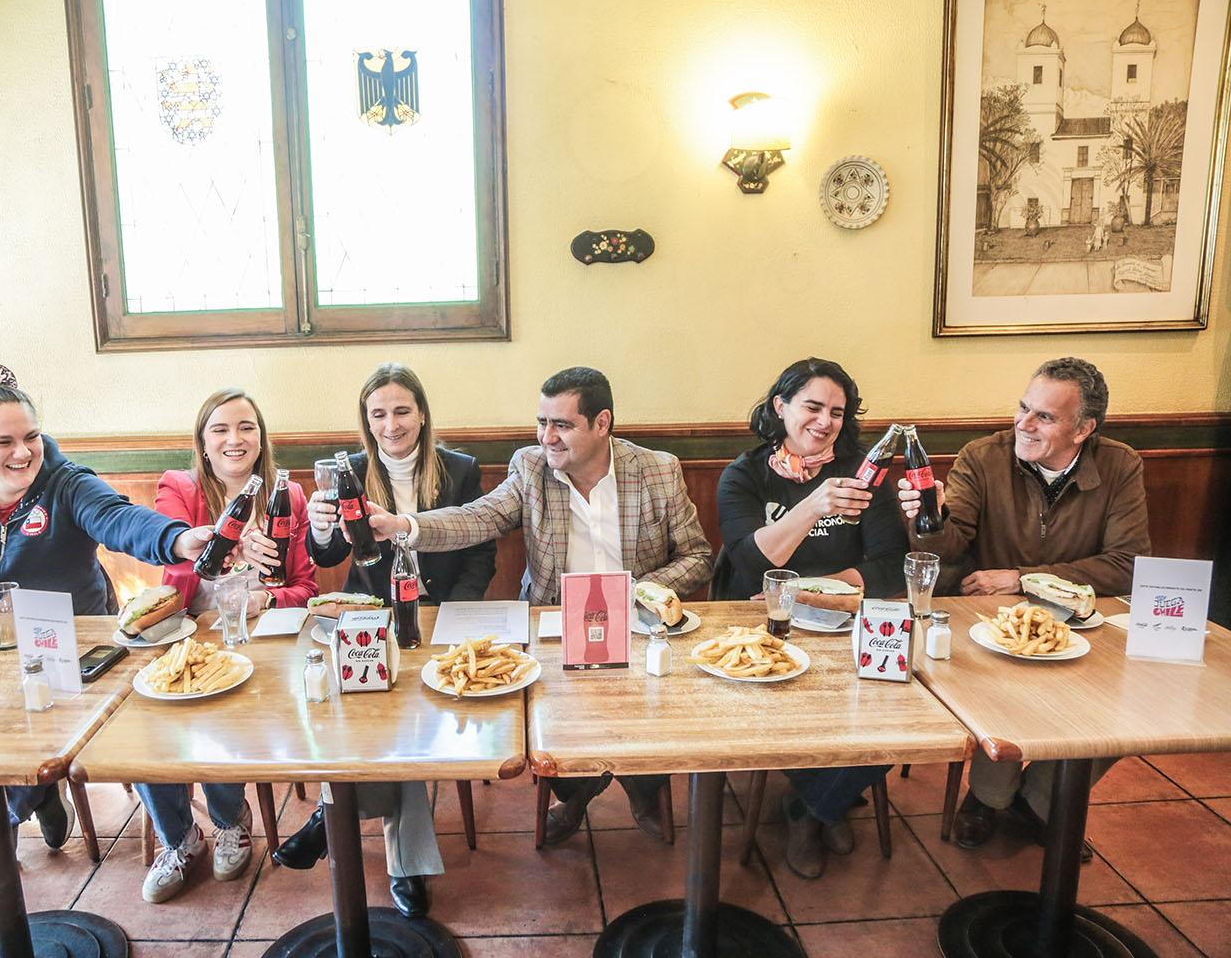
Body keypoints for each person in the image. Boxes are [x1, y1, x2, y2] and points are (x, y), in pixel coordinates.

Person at [0, 366, 216, 874]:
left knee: (139, 720)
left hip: (81, 644)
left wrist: (178, 539)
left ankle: (175, 838)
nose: (23, 452)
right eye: (4, 442)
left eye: (31, 436)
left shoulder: (67, 483)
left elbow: (119, 517)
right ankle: (24, 806)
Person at [366, 366, 714, 845]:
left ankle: (642, 785)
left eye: (562, 425)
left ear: (602, 423)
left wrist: (635, 592)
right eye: (541, 423)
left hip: (636, 625)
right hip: (553, 629)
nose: (547, 437)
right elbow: (477, 518)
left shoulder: (657, 470)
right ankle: (576, 793)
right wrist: (405, 526)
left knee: (651, 721)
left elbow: (698, 557)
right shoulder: (531, 468)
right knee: (552, 736)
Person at [897, 357, 1150, 858]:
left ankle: (1040, 801)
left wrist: (1027, 578)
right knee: (999, 678)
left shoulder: (1121, 465)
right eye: (1022, 408)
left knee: (1138, 700)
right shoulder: (983, 456)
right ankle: (988, 798)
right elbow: (947, 546)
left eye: (1045, 417)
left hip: (1082, 621)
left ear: (1084, 429)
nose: (1023, 424)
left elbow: (1128, 563)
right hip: (992, 620)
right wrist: (928, 516)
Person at [275, 363, 495, 919]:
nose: (391, 424)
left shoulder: (459, 469)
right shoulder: (348, 470)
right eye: (378, 414)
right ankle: (407, 865)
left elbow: (479, 551)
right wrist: (321, 529)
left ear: (422, 413)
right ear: (365, 420)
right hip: (367, 617)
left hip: (435, 619)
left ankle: (333, 820)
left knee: (410, 727)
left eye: (401, 411)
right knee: (373, 722)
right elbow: (327, 559)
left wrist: (449, 612)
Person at [713, 357, 904, 879]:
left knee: (902, 709)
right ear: (781, 407)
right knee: (794, 702)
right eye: (813, 407)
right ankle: (826, 802)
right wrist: (813, 505)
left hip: (848, 625)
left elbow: (888, 569)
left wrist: (810, 592)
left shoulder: (866, 473)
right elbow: (751, 565)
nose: (825, 422)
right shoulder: (745, 475)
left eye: (837, 413)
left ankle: (811, 805)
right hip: (766, 632)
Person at [136, 387, 319, 903]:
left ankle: (229, 819)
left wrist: (265, 599)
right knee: (147, 723)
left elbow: (306, 588)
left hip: (258, 643)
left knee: (230, 711)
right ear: (203, 441)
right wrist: (228, 539)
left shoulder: (290, 498)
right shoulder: (178, 487)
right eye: (220, 429)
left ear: (262, 439)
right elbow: (174, 562)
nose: (234, 439)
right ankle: (179, 839)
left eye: (246, 428)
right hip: (187, 633)